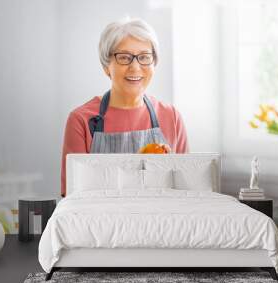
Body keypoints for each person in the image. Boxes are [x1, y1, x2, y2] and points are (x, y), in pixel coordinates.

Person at [60, 17, 189, 197]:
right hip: (100, 222)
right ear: (106, 66)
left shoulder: (171, 117)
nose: (135, 67)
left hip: (161, 222)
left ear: (154, 64)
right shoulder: (81, 120)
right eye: (124, 58)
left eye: (144, 57)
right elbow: (72, 197)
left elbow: (186, 191)